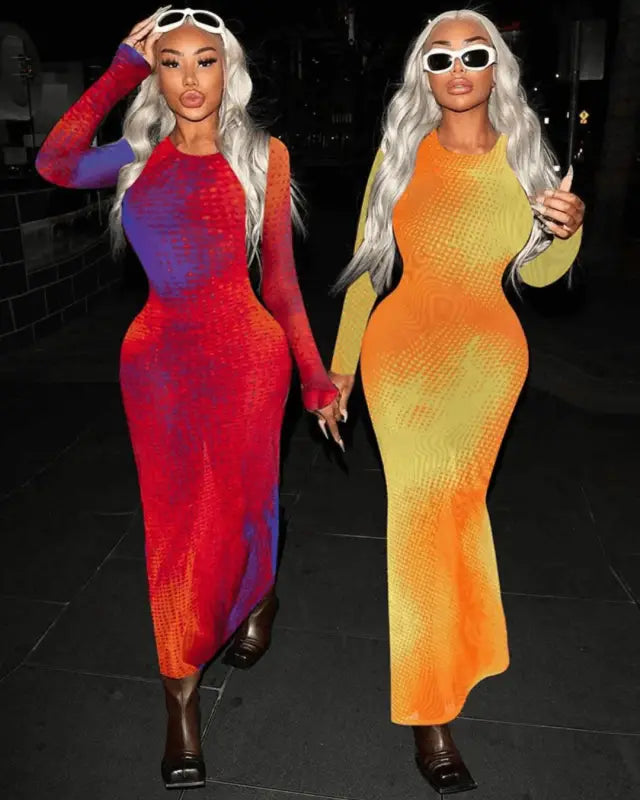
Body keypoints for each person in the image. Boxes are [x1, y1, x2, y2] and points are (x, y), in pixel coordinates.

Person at [35, 7, 342, 790]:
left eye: (205, 60)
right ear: (156, 75)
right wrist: (118, 69)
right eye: (170, 63)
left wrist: (316, 378)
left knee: (244, 505)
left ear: (227, 69)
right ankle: (180, 698)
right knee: (177, 529)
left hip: (249, 361)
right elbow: (55, 163)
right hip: (158, 367)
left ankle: (259, 592)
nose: (189, 78)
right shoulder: (137, 154)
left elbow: (282, 285)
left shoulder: (264, 157)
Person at [328, 9, 585, 795]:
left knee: (459, 507)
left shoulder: (528, 159)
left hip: (487, 363)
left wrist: (568, 231)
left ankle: (463, 647)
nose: (458, 68)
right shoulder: (399, 154)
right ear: (424, 74)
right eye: (439, 57)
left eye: (475, 53)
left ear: (497, 66)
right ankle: (430, 713)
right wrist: (339, 373)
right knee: (419, 515)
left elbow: (540, 276)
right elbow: (368, 266)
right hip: (402, 357)